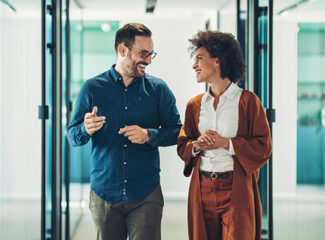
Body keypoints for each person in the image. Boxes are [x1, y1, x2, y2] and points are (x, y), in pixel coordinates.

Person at [67, 23, 182, 240]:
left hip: (146, 194)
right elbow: (72, 136)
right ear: (122, 50)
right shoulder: (92, 88)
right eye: (143, 53)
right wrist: (85, 129)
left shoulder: (158, 90)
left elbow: (178, 131)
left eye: (151, 54)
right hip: (104, 195)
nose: (148, 60)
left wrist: (150, 135)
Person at [177, 30, 272, 240]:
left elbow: (264, 146)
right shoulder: (194, 105)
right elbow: (183, 144)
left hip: (235, 189)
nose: (195, 65)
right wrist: (197, 145)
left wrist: (226, 143)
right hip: (202, 189)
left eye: (199, 58)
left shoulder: (248, 102)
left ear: (218, 60)